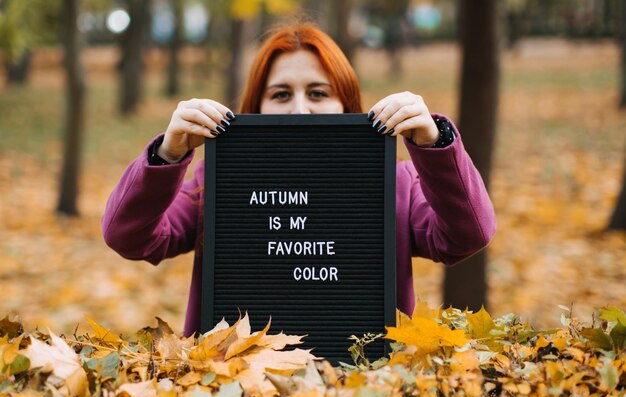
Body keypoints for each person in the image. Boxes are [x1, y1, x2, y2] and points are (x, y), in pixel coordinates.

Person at [102, 22, 496, 337]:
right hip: (234, 387)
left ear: (347, 104)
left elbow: (467, 234)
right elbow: (130, 238)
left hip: (362, 384)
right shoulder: (217, 184)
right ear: (255, 108)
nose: (301, 109)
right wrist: (168, 155)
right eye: (280, 94)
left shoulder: (397, 184)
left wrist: (434, 144)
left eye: (319, 92)